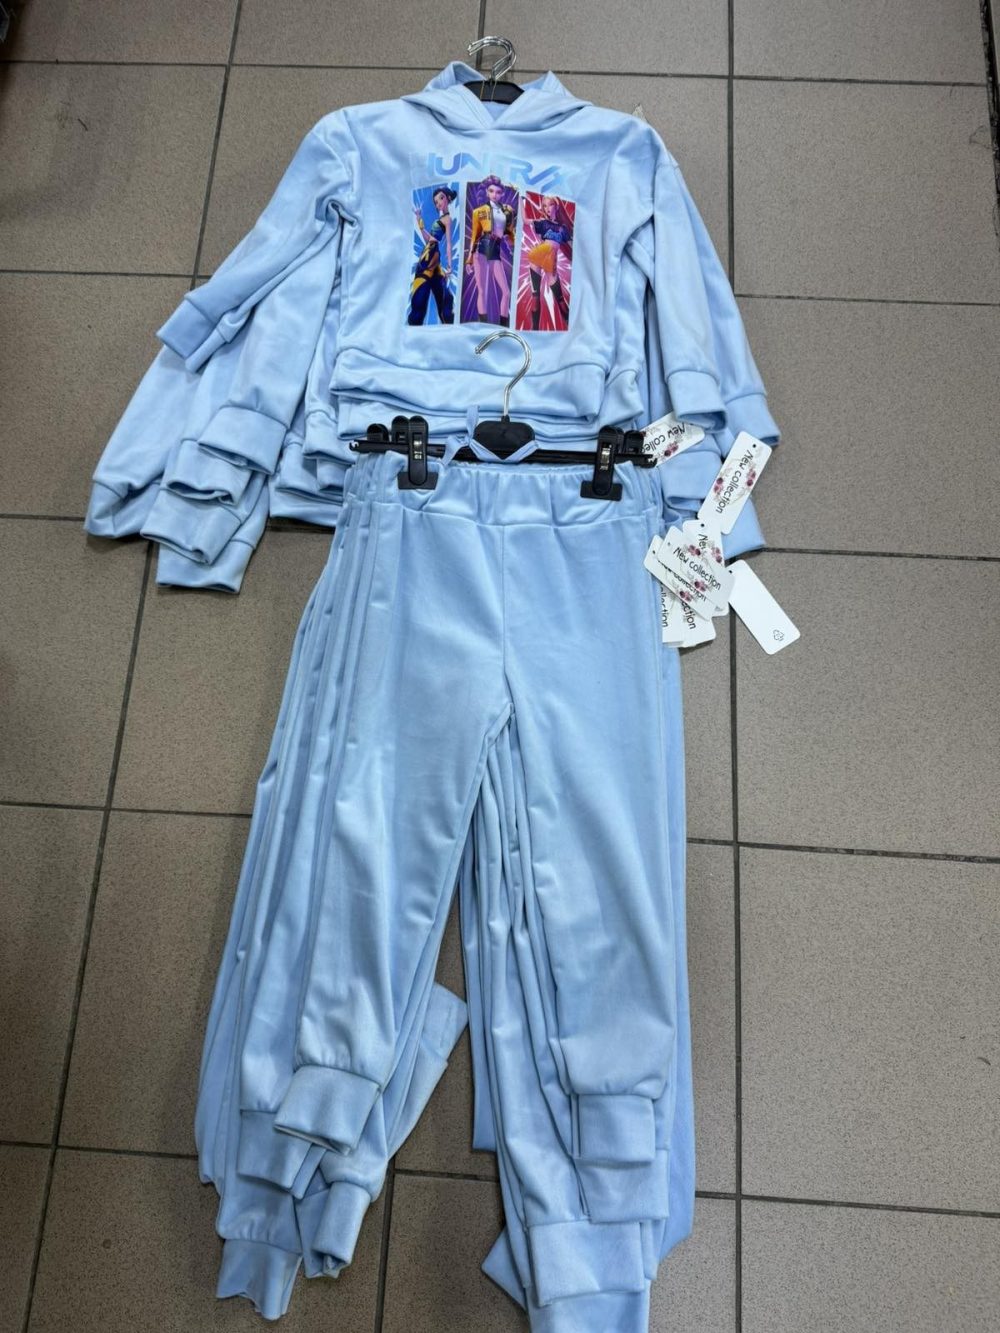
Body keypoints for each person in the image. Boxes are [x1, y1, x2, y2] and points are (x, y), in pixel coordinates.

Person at [464, 175, 517, 323]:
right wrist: (469, 260)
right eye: (491, 191)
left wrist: (513, 248)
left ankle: (503, 325)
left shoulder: (507, 211)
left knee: (506, 292)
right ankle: (483, 324)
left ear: (502, 194)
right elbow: (474, 236)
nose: (495, 195)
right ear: (487, 192)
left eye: (498, 192)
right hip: (481, 248)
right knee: (482, 291)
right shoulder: (479, 211)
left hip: (495, 250)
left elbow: (510, 233)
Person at [407, 185, 458, 325]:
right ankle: (415, 325)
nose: (438, 203)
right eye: (436, 201)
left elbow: (448, 243)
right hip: (429, 253)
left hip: (432, 255)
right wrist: (419, 220)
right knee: (422, 294)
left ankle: (449, 326)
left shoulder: (447, 219)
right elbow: (429, 239)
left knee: (445, 297)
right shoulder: (441, 219)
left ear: (448, 198)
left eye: (441, 198)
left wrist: (450, 265)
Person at [524, 194, 572, 330]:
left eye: (550, 205)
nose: (547, 208)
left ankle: (570, 326)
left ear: (556, 206)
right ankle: (534, 330)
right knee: (535, 296)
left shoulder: (563, 228)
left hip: (550, 262)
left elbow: (572, 245)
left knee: (560, 299)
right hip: (536, 256)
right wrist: (522, 199)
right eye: (544, 206)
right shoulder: (543, 222)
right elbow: (525, 220)